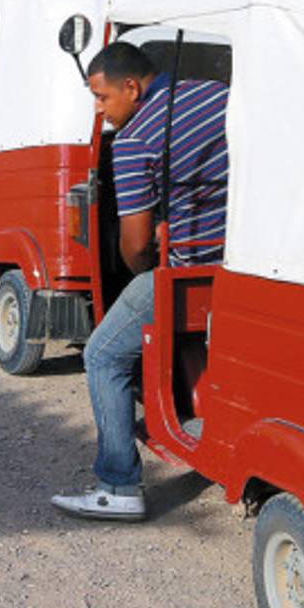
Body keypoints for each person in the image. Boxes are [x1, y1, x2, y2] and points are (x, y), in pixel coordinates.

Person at [51, 42, 228, 521]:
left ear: (132, 86)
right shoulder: (220, 97)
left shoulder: (135, 140)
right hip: (242, 268)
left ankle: (119, 484)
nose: (99, 109)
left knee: (102, 354)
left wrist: (139, 272)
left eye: (102, 97)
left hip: (187, 272)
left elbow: (133, 242)